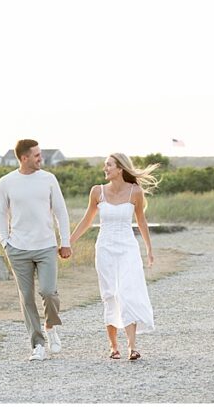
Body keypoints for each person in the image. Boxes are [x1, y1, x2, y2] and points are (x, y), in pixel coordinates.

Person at [70, 152, 157, 360]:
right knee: (110, 293)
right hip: (105, 248)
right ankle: (113, 346)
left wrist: (149, 249)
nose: (105, 168)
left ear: (120, 168)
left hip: (128, 248)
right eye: (105, 165)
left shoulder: (135, 192)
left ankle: (132, 347)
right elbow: (87, 220)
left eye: (109, 165)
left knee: (127, 292)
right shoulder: (97, 192)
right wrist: (68, 242)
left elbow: (141, 221)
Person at [0, 139, 72, 361]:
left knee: (48, 291)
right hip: (17, 248)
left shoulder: (48, 179)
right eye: (37, 155)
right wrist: (4, 242)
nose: (41, 158)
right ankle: (37, 344)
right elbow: (1, 213)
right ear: (24, 157)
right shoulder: (6, 182)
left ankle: (51, 326)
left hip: (46, 246)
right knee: (26, 297)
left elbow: (61, 212)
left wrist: (65, 241)